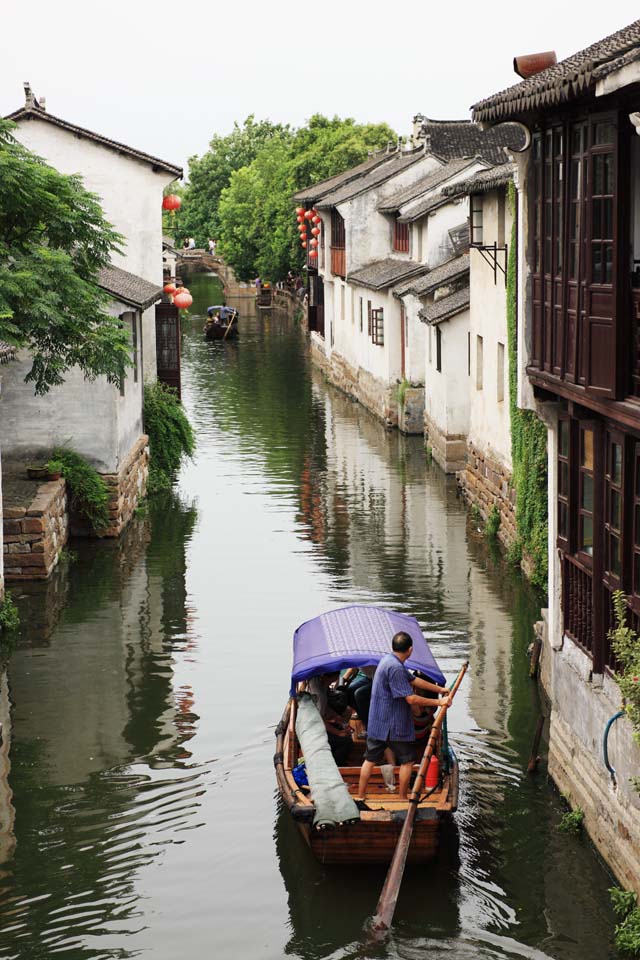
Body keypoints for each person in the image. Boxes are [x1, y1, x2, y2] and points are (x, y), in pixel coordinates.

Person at [357, 632, 450, 801]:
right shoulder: (396, 668)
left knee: (369, 759)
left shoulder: (388, 660)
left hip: (378, 723)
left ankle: (361, 796)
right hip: (392, 724)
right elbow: (411, 698)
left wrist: (440, 690)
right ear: (410, 650)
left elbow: (413, 680)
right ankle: (402, 797)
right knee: (408, 760)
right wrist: (439, 703)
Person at [308, 672, 353, 765]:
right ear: (325, 678)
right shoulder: (318, 694)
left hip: (318, 721)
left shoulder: (321, 684)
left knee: (345, 734)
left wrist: (338, 718)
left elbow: (326, 709)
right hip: (314, 728)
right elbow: (320, 721)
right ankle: (338, 764)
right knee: (345, 741)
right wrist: (339, 733)